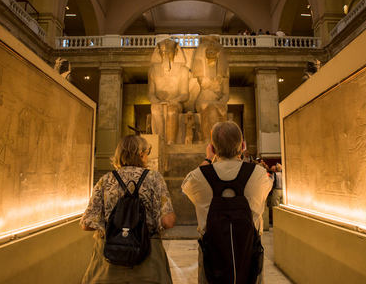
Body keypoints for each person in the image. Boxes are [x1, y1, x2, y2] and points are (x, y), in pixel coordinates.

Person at [182, 121, 273, 284]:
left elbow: (185, 186)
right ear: (243, 146)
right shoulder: (259, 174)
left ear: (213, 149)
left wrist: (208, 160)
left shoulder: (198, 176)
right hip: (249, 251)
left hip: (212, 253)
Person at [80, 134, 177, 284]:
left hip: (108, 261)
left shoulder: (105, 180)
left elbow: (86, 225)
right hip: (147, 259)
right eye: (147, 153)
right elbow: (168, 221)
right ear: (141, 154)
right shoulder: (154, 178)